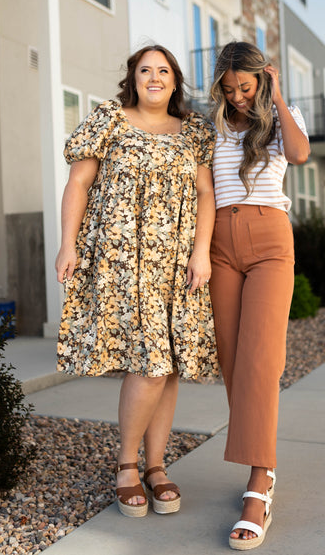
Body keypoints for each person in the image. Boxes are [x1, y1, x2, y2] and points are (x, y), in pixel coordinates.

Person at [55, 44, 218, 519]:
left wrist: (201, 252)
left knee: (166, 367)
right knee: (148, 363)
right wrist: (69, 244)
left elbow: (206, 193)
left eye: (163, 70)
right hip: (122, 260)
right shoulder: (108, 118)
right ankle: (127, 466)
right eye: (145, 69)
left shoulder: (195, 133)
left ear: (174, 81)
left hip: (177, 264)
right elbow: (78, 183)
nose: (154, 77)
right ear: (133, 77)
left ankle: (156, 466)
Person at [209, 41, 310, 550]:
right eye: (229, 89)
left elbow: (298, 153)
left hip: (271, 240)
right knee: (231, 359)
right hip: (220, 246)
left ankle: (259, 480)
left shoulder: (280, 119)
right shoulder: (214, 126)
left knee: (260, 358)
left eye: (245, 87)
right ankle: (260, 461)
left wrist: (279, 95)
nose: (238, 97)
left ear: (261, 80)